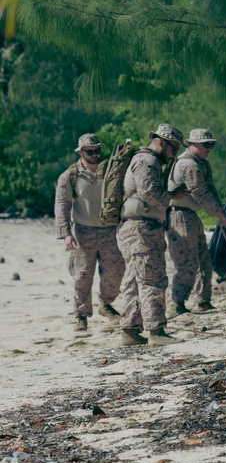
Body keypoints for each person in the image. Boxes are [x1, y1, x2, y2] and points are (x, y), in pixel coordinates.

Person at [117, 124, 189, 346]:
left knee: (133, 281)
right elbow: (148, 192)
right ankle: (156, 331)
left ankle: (129, 331)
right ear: (161, 142)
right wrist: (172, 196)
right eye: (173, 148)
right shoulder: (148, 161)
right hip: (142, 230)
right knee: (153, 280)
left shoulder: (146, 160)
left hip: (135, 228)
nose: (174, 154)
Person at [54, 133, 126, 331]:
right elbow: (62, 205)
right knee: (82, 276)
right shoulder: (69, 176)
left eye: (97, 151)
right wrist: (66, 233)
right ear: (81, 152)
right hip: (82, 232)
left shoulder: (111, 171)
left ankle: (106, 304)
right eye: (90, 151)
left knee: (115, 273)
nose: (95, 154)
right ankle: (81, 316)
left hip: (110, 231)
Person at [166, 128, 226, 315]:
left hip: (191, 216)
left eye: (211, 144)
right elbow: (201, 193)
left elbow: (210, 188)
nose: (209, 148)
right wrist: (221, 217)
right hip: (179, 217)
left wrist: (221, 213)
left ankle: (202, 300)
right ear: (193, 144)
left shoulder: (201, 163)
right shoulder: (189, 164)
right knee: (186, 262)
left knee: (204, 260)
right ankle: (177, 303)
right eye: (206, 145)